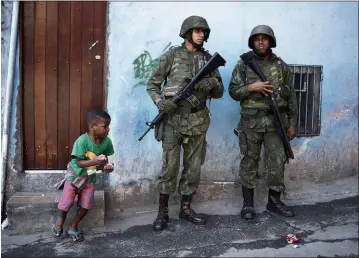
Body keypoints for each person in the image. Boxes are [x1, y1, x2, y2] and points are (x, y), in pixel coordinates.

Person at [146, 15, 224, 231]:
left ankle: (186, 209)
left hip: (197, 121)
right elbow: (152, 85)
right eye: (197, 31)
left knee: (192, 169)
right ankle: (162, 213)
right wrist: (161, 103)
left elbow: (220, 92)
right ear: (187, 33)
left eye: (203, 32)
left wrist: (211, 83)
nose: (201, 35)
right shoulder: (172, 56)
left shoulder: (209, 60)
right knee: (169, 168)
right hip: (172, 121)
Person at [228, 25, 298, 220]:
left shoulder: (281, 66)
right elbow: (233, 92)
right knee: (249, 161)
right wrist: (252, 87)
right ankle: (248, 204)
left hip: (276, 122)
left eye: (265, 38)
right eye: (257, 38)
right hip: (251, 122)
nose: (261, 41)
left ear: (271, 42)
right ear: (252, 42)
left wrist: (292, 123)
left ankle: (274, 202)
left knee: (277, 161)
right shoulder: (243, 65)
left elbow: (291, 95)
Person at [52, 109, 115, 241]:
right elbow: (79, 163)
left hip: (90, 177)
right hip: (74, 175)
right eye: (105, 126)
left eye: (108, 126)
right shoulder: (81, 141)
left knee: (86, 205)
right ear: (92, 127)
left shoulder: (107, 142)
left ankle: (73, 226)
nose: (108, 129)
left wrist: (107, 167)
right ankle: (61, 218)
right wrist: (96, 161)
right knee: (67, 202)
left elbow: (107, 160)